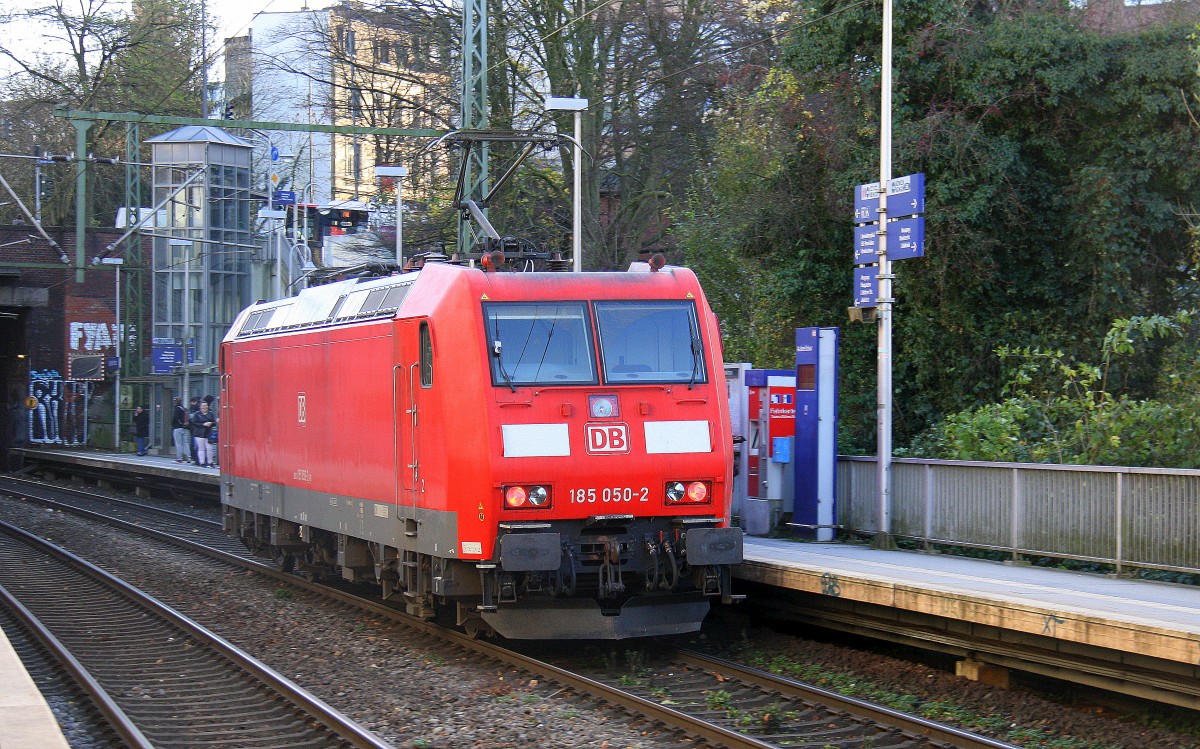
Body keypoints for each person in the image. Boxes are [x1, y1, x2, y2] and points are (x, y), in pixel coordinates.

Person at [190, 400, 217, 468]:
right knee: (201, 448)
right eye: (203, 406)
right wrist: (203, 424)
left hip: (208, 433)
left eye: (206, 405)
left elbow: (214, 422)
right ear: (200, 407)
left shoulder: (210, 414)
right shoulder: (197, 414)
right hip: (199, 433)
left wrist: (211, 423)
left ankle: (210, 462)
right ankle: (202, 462)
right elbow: (194, 423)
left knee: (209, 448)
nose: (205, 407)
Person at [171, 397, 190, 463]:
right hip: (184, 427)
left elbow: (175, 418)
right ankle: (188, 457)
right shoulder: (184, 409)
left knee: (178, 443)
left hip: (177, 427)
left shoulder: (177, 409)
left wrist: (173, 423)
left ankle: (180, 458)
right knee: (186, 443)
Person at [188, 396, 200, 464]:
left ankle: (195, 458)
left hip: (194, 428)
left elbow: (190, 417)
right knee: (195, 444)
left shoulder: (193, 409)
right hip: (195, 428)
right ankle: (196, 458)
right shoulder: (197, 409)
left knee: (194, 444)